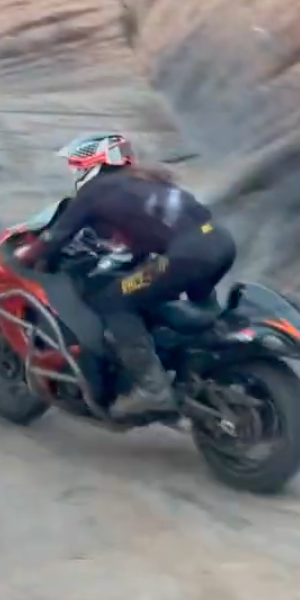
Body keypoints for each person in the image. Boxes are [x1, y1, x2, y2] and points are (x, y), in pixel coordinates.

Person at [15, 133, 237, 419]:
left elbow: (56, 237)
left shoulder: (96, 190)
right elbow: (151, 235)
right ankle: (207, 361)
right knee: (182, 304)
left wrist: (28, 256)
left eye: (78, 166)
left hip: (184, 257)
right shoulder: (150, 184)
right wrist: (128, 257)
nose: (76, 173)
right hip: (219, 244)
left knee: (113, 300)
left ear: (94, 164)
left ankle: (153, 389)